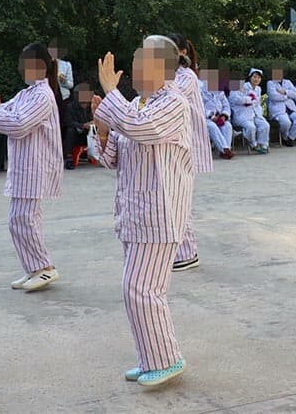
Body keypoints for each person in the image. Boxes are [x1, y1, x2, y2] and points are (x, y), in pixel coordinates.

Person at [90, 36, 194, 387]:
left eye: (140, 60)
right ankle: (151, 357)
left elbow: (141, 129)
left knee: (142, 289)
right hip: (134, 213)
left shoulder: (174, 102)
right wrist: (102, 132)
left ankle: (167, 358)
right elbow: (111, 159)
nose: (132, 66)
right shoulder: (136, 103)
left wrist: (110, 95)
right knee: (135, 290)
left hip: (159, 214)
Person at [0, 44, 64, 292]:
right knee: (18, 220)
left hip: (36, 165)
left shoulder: (43, 95)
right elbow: (3, 115)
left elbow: (19, 124)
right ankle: (34, 268)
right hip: (24, 166)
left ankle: (45, 267)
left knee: (26, 219)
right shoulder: (27, 93)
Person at [167, 34, 212, 272]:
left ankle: (187, 252)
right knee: (172, 198)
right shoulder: (171, 77)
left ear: (182, 52)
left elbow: (168, 99)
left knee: (179, 199)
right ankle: (178, 250)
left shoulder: (186, 77)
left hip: (185, 145)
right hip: (172, 145)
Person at [230, 69, 270, 154]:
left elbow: (257, 103)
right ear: (250, 77)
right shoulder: (238, 88)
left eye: (259, 78)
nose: (256, 79)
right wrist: (249, 100)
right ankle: (253, 144)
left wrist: (259, 112)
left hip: (254, 113)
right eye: (254, 77)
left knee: (265, 125)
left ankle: (262, 144)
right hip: (241, 115)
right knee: (251, 127)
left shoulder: (258, 89)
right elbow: (237, 100)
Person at [266, 69, 296, 147]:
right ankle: (285, 136)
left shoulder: (288, 82)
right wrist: (287, 96)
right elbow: (273, 96)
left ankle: (290, 138)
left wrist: (285, 92)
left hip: (290, 107)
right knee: (286, 122)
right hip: (278, 109)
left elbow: (295, 94)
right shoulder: (270, 83)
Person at [200, 76, 234, 160]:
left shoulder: (220, 92)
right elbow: (200, 107)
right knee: (212, 127)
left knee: (227, 126)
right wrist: (212, 116)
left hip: (219, 117)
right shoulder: (200, 91)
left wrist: (223, 116)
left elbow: (226, 106)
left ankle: (227, 149)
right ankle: (224, 150)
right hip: (205, 118)